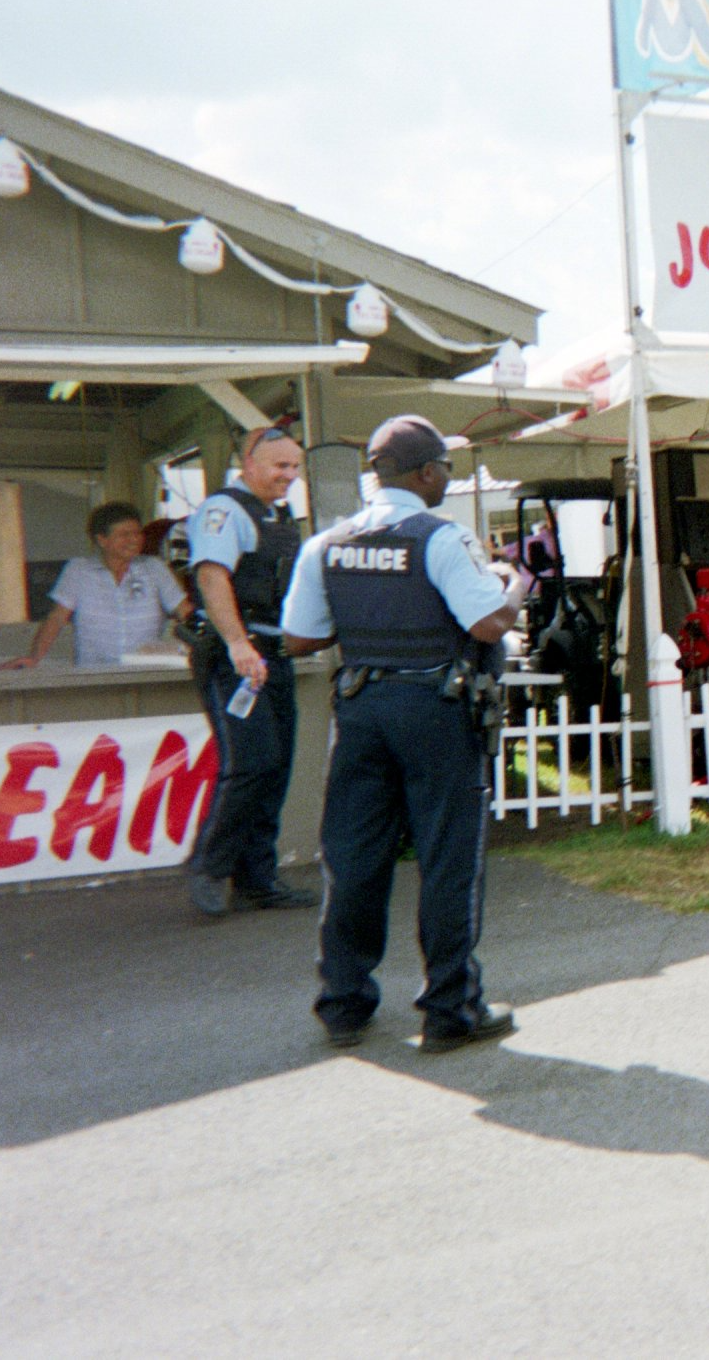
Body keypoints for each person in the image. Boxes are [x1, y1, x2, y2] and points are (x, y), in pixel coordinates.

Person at [282, 414, 531, 1053]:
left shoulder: (326, 544)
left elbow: (300, 638)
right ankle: (452, 1007)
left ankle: (343, 1003)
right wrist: (515, 587)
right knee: (446, 859)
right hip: (436, 712)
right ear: (425, 473)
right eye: (445, 468)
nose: (447, 478)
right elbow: (484, 626)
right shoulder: (440, 539)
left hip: (361, 711)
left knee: (355, 858)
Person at [181, 423, 312, 916]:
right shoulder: (223, 511)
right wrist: (237, 643)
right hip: (236, 655)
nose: (290, 476)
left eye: (295, 467)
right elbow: (212, 576)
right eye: (281, 467)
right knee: (252, 762)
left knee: (275, 766)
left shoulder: (275, 513)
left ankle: (259, 878)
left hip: (273, 652)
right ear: (249, 464)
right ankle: (209, 866)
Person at [0, 503, 190, 668]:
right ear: (102, 540)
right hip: (95, 674)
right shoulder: (79, 570)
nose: (134, 540)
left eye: (137, 533)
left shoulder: (154, 568)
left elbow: (184, 611)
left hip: (144, 674)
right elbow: (57, 618)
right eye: (124, 534)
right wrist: (34, 658)